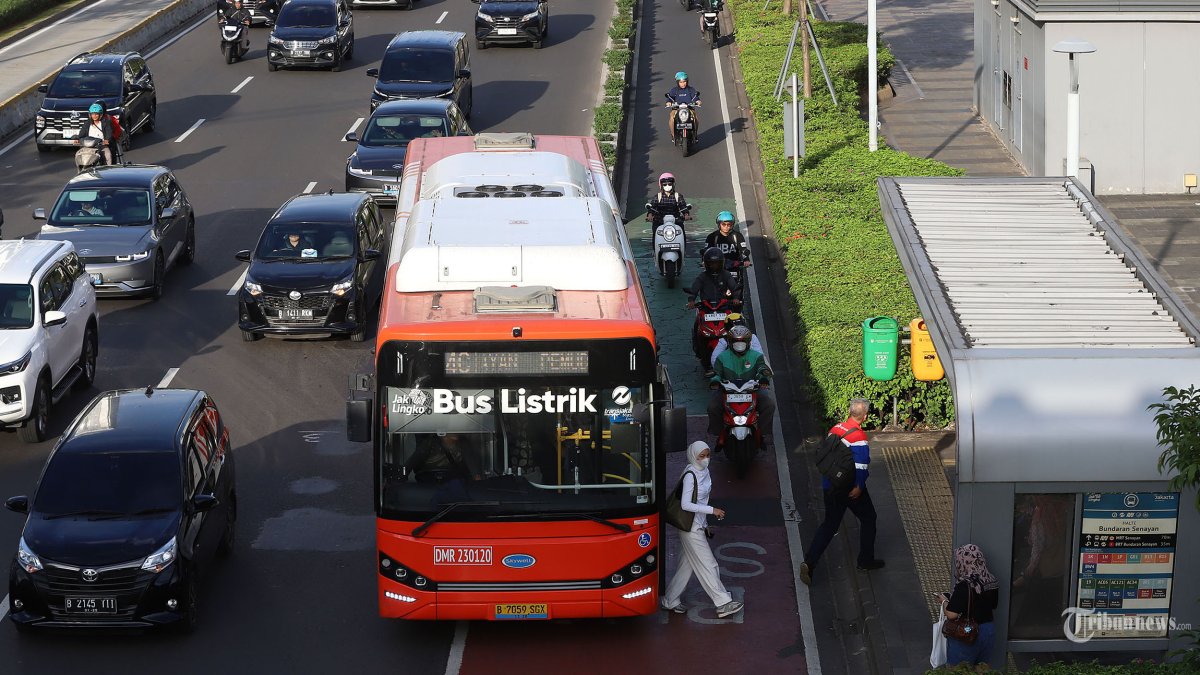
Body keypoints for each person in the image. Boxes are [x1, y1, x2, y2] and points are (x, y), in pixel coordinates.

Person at [799, 398, 884, 584]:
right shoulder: (859, 437)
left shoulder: (836, 428)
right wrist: (859, 487)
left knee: (829, 525)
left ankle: (810, 562)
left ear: (850, 411)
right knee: (869, 518)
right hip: (848, 487)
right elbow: (861, 466)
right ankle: (865, 560)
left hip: (830, 484)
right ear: (865, 416)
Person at [661, 441, 744, 619]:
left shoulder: (703, 472)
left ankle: (670, 600)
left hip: (696, 525)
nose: (706, 459)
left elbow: (700, 501)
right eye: (702, 456)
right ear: (693, 456)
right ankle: (722, 602)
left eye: (707, 455)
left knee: (686, 566)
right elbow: (686, 504)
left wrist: (705, 523)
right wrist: (712, 511)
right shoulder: (691, 475)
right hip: (690, 528)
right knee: (709, 564)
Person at [708, 325, 775, 440]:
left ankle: (762, 433)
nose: (739, 345)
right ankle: (719, 434)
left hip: (752, 389)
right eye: (736, 342)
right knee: (712, 407)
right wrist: (715, 381)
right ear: (729, 342)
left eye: (742, 342)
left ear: (749, 342)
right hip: (726, 391)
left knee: (769, 405)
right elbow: (717, 373)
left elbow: (761, 369)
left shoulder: (757, 356)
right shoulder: (721, 357)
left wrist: (763, 378)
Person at [939, 544, 1000, 666]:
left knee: (959, 670)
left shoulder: (965, 585)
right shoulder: (991, 579)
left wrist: (944, 601)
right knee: (982, 669)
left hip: (967, 632)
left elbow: (951, 615)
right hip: (988, 631)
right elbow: (993, 605)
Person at [408, 432, 482, 483]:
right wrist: (401, 476)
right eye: (452, 429)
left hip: (455, 482)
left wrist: (477, 479)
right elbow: (413, 460)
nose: (458, 431)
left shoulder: (463, 443)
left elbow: (472, 465)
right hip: (429, 481)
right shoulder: (430, 442)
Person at [665, 72, 701, 143]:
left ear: (687, 81)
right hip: (676, 109)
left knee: (695, 118)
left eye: (684, 81)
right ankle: (673, 135)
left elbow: (695, 97)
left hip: (689, 108)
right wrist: (668, 103)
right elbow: (670, 98)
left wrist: (698, 101)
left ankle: (695, 134)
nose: (683, 83)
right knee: (672, 118)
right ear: (678, 82)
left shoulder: (691, 89)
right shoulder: (674, 90)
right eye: (681, 82)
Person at [79, 102, 115, 166]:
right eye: (92, 114)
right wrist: (78, 139)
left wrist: (107, 140)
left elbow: (109, 133)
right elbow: (81, 135)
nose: (94, 116)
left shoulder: (105, 123)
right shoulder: (87, 123)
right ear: (90, 115)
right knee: (78, 155)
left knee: (108, 154)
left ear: (100, 115)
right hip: (88, 147)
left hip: (101, 146)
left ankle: (108, 170)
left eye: (96, 114)